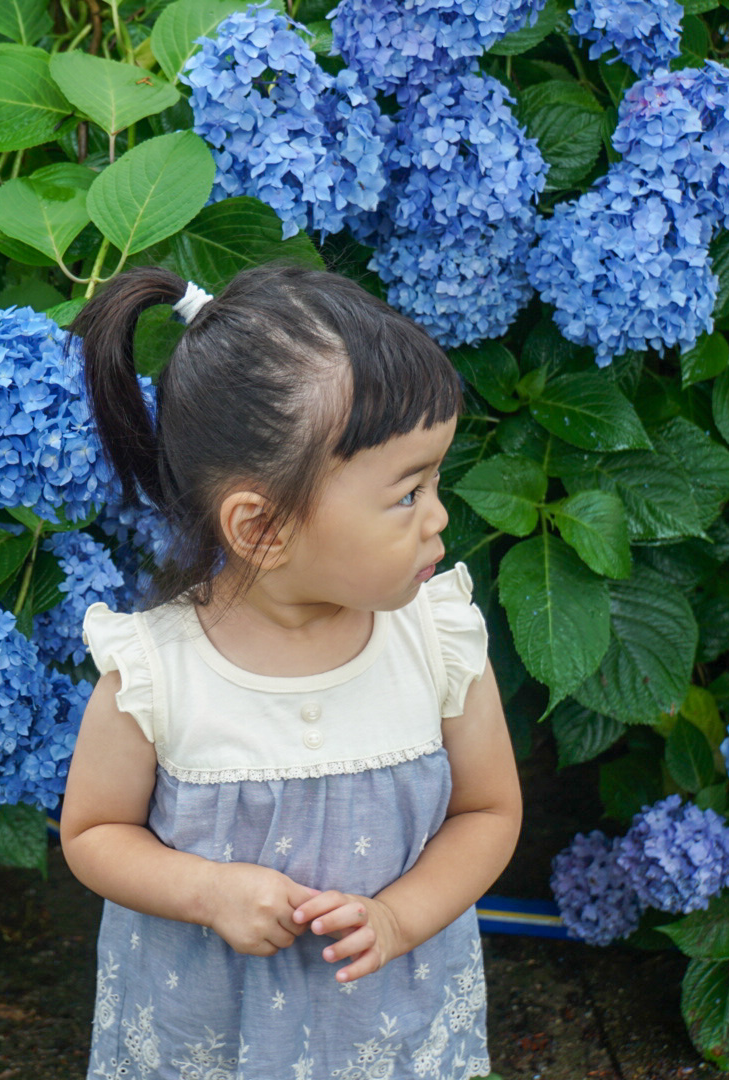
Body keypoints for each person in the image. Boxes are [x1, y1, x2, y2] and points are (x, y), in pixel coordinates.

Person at [58, 264, 522, 1079]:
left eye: (435, 480)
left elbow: (489, 810)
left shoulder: (436, 641)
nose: (440, 515)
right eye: (407, 494)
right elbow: (94, 834)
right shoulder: (159, 673)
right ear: (262, 528)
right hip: (205, 1041)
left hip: (384, 1035)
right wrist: (208, 892)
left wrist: (399, 918)